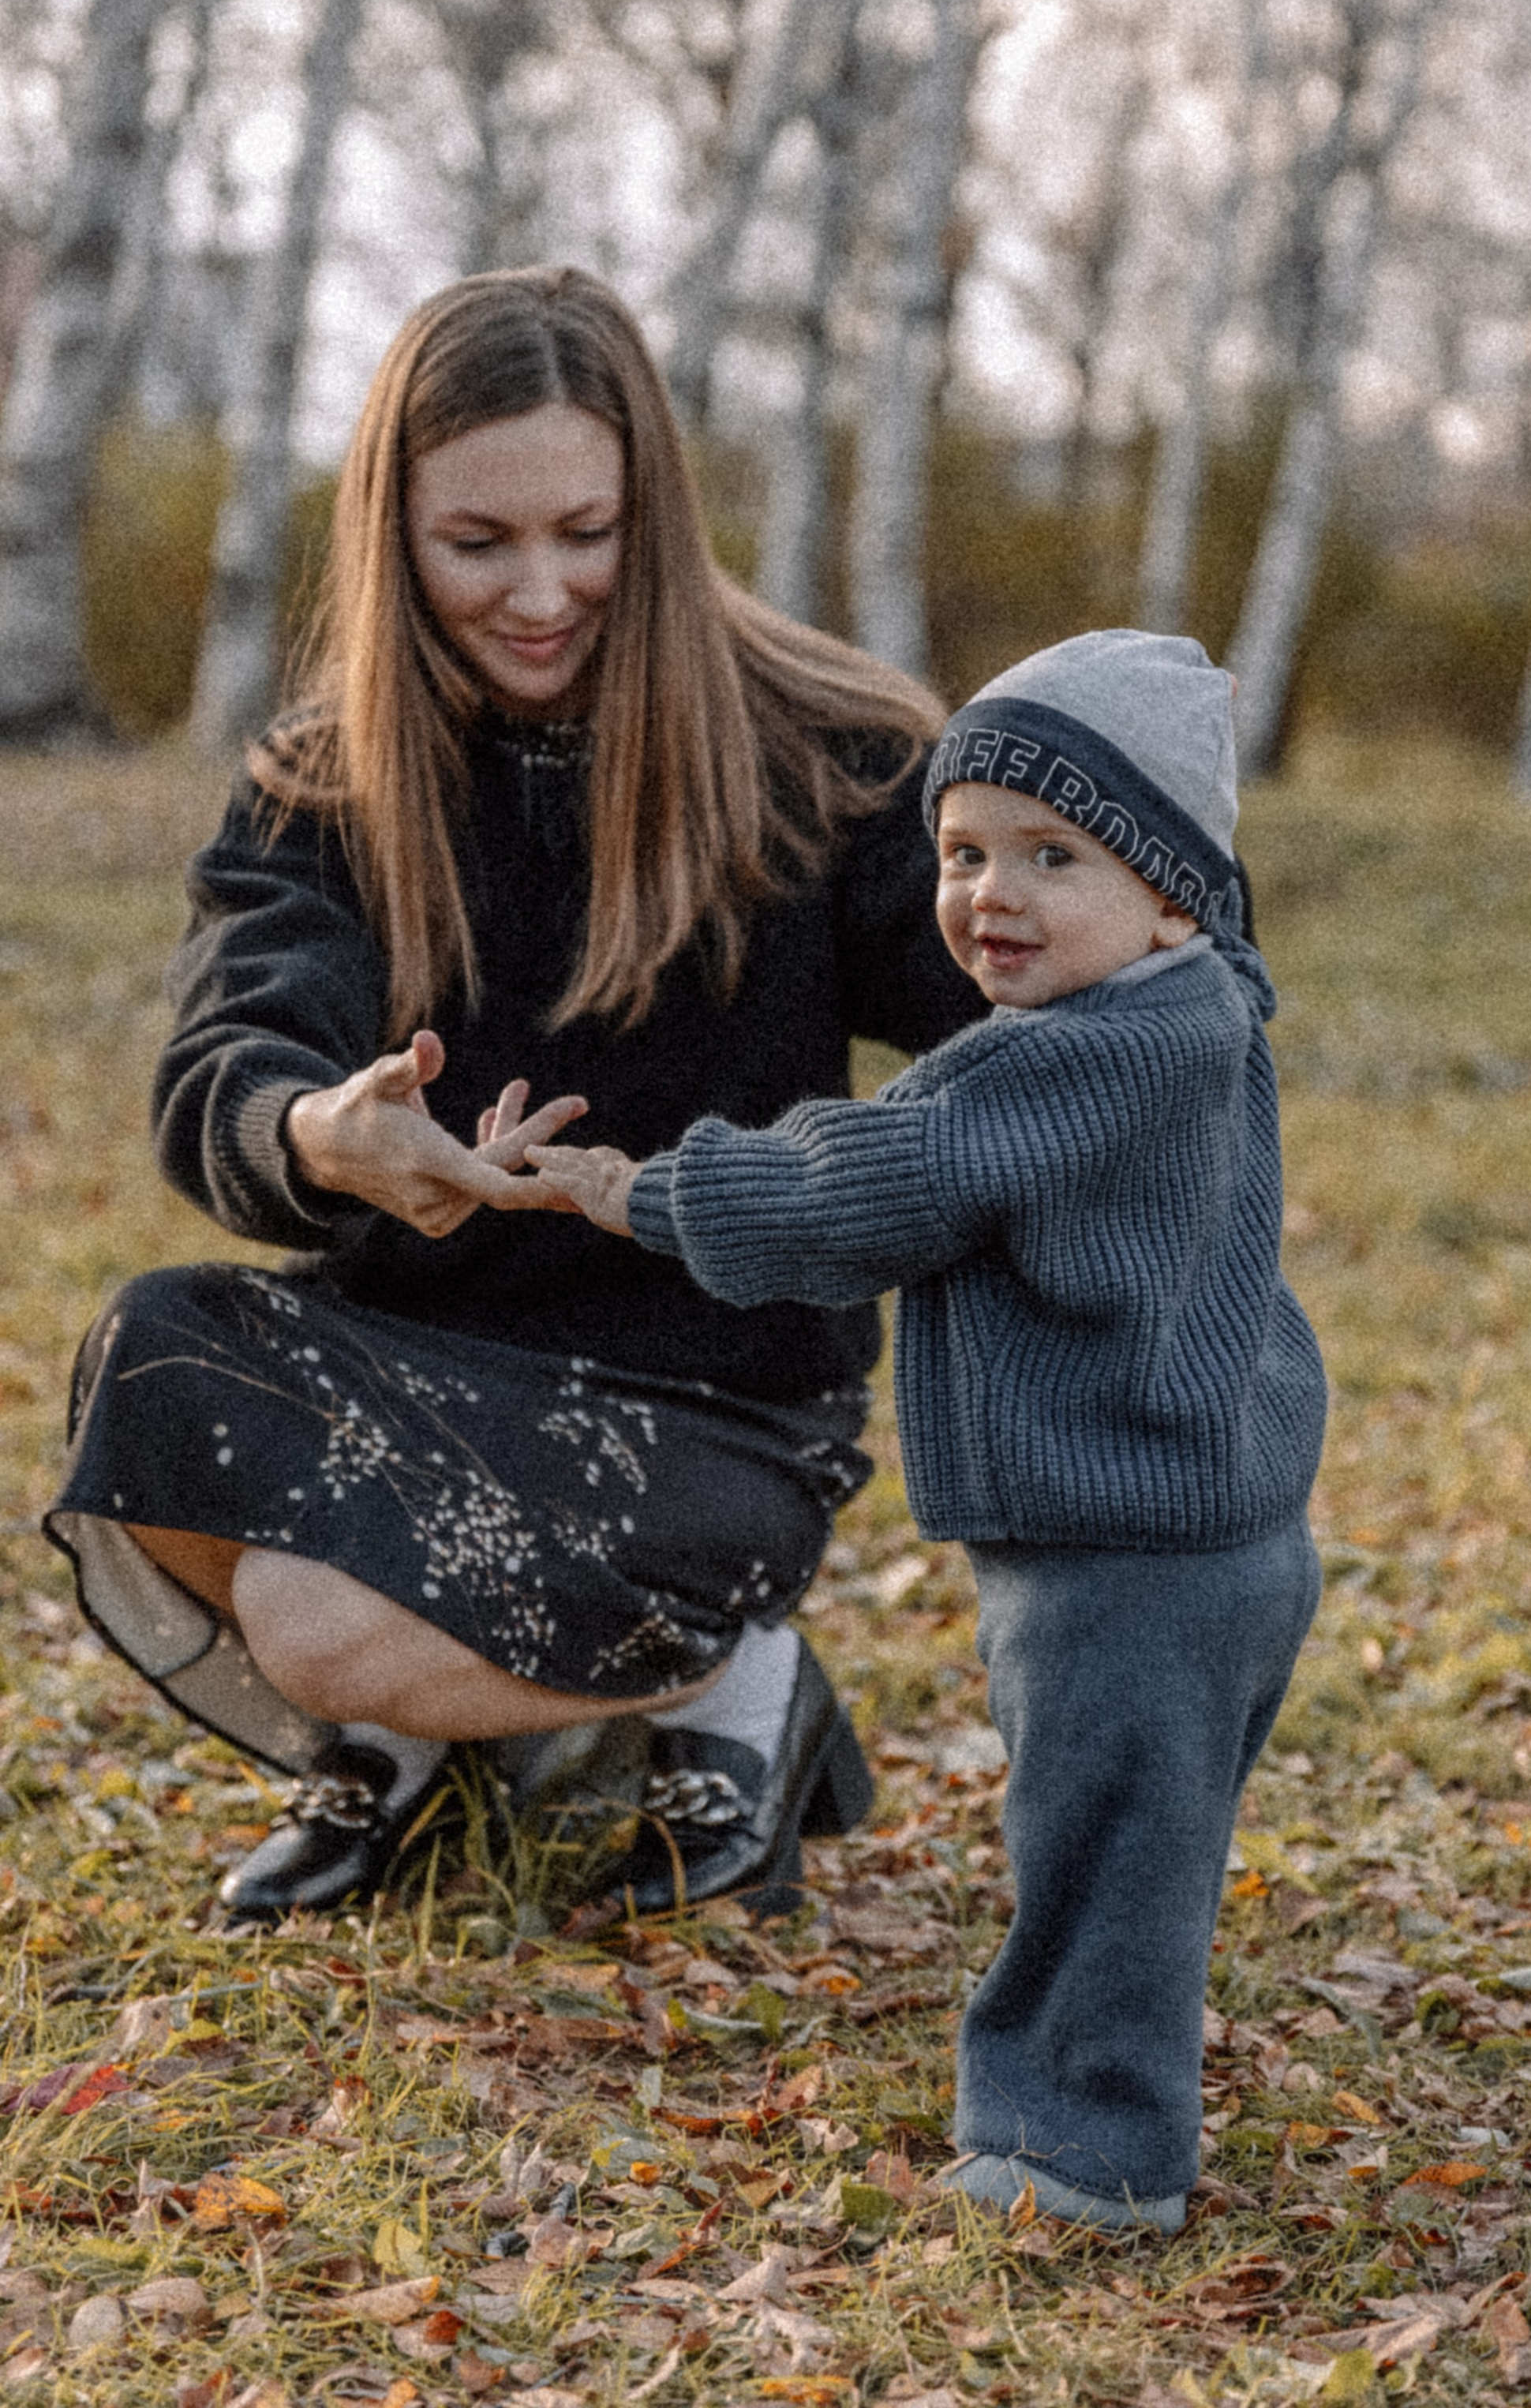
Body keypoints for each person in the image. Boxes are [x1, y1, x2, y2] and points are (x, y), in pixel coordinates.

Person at [46, 264, 983, 1925]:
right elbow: (225, 1062)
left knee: (315, 1622)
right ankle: (409, 1748)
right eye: (478, 543)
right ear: (391, 531)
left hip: (713, 1402)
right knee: (154, 1357)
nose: (541, 592)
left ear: (653, 512)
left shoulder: (834, 754)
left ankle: (736, 1687)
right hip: (418, 1360)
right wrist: (323, 1135)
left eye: (586, 532)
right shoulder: (324, 781)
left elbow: (1020, 1008)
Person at [511, 629, 1328, 2230]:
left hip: (1126, 1556)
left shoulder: (1079, 1060)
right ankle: (1104, 2110)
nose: (989, 896)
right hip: (1212, 1532)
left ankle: (1085, 2156)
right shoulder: (1197, 1007)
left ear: (1175, 894)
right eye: (962, 855)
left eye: (1052, 858)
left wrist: (643, 1192)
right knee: (1136, 1846)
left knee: (1096, 1857)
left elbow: (871, 1181)